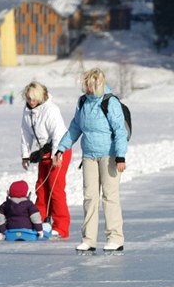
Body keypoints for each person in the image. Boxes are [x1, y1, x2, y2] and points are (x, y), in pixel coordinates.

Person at [53, 68, 128, 254]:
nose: (89, 88)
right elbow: (75, 128)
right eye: (86, 85)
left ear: (100, 83)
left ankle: (115, 238)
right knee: (89, 197)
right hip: (89, 156)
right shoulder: (83, 102)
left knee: (110, 197)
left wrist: (120, 156)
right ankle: (88, 239)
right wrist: (61, 148)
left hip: (109, 156)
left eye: (92, 85)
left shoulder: (110, 102)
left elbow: (120, 130)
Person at [20, 81, 72, 238]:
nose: (31, 101)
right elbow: (25, 134)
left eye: (34, 98)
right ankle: (39, 223)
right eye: (28, 98)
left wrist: (57, 154)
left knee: (55, 189)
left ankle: (61, 227)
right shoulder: (27, 111)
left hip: (60, 150)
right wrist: (25, 154)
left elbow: (58, 133)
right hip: (44, 152)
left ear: (41, 96)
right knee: (41, 189)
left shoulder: (51, 110)